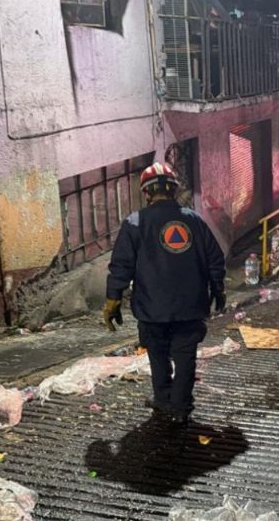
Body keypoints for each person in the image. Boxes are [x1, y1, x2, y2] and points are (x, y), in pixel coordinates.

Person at [103, 162, 226, 427]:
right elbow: (215, 260)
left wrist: (113, 300)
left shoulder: (135, 222)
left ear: (146, 192)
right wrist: (218, 289)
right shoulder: (194, 220)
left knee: (157, 355)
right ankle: (180, 408)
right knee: (185, 357)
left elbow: (121, 266)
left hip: (152, 308)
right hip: (190, 306)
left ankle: (163, 399)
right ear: (174, 190)